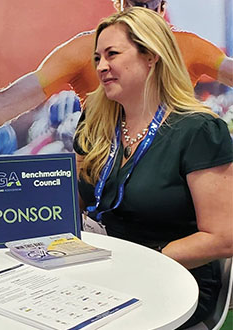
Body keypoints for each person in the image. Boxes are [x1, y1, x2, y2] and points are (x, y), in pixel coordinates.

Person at [73, 8, 232, 328]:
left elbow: (224, 237)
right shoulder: (94, 121)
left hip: (175, 278)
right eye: (97, 58)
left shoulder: (199, 131)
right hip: (100, 272)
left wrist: (145, 260)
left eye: (112, 54)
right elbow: (74, 204)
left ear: (152, 56)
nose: (101, 67)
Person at [0, 0, 233, 129]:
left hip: (170, 201)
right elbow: (1, 107)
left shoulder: (188, 47)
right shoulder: (84, 50)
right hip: (103, 205)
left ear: (162, 5)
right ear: (117, 3)